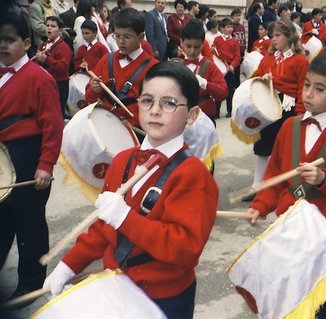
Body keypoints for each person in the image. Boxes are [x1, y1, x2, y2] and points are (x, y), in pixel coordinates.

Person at [43, 61, 218, 319]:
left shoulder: (194, 175)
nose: (155, 111)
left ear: (191, 115)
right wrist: (68, 266)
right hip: (115, 288)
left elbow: (185, 249)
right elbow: (104, 228)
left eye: (169, 103)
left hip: (164, 298)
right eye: (147, 100)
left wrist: (125, 218)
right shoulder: (122, 159)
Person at [247, 51, 326, 319]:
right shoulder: (289, 127)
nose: (309, 93)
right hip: (291, 227)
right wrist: (260, 206)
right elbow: (275, 176)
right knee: (293, 290)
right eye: (307, 85)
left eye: (320, 88)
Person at [0, 11, 64, 308]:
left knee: (29, 224)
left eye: (9, 40)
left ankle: (30, 285)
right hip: (2, 159)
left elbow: (53, 124)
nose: (2, 46)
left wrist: (46, 164)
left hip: (28, 156)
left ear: (26, 43)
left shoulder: (40, 78)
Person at [245, 19, 309, 201]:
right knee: (262, 146)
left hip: (288, 108)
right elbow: (255, 82)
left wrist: (300, 112)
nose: (273, 39)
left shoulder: (300, 61)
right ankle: (257, 185)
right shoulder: (267, 59)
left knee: (286, 148)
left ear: (289, 37)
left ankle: (285, 186)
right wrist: (262, 78)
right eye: (272, 35)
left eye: (278, 35)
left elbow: (301, 88)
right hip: (268, 106)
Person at [85, 8, 158, 128]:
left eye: (127, 37)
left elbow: (155, 107)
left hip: (134, 130)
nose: (121, 42)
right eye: (117, 36)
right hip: (104, 124)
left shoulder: (153, 68)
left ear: (141, 37)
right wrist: (94, 89)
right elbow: (89, 98)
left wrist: (135, 122)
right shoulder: (106, 60)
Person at [181, 20, 227, 123]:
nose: (192, 51)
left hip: (204, 118)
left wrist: (205, 84)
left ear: (202, 44)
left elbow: (223, 93)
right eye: (188, 46)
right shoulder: (177, 65)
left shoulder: (209, 66)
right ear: (181, 43)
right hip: (182, 118)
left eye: (196, 47)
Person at [35, 16, 73, 120]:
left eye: (53, 26)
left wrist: (46, 59)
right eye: (47, 26)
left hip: (59, 84)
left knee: (57, 113)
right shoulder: (42, 45)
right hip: (44, 83)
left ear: (60, 30)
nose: (49, 28)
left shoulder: (63, 47)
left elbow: (63, 67)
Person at [212, 17, 241, 118]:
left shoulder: (234, 41)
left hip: (229, 68)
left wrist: (233, 65)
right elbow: (214, 52)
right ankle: (216, 110)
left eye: (231, 27)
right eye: (228, 27)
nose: (230, 29)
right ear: (222, 28)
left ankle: (230, 110)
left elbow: (237, 56)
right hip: (219, 67)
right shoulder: (217, 39)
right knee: (218, 89)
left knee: (230, 89)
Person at [231, 8, 246, 88]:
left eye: (239, 15)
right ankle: (234, 85)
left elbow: (243, 38)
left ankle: (237, 85)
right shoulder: (231, 27)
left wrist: (244, 48)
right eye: (236, 15)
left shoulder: (242, 26)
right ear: (232, 17)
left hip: (241, 50)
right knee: (235, 70)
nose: (238, 17)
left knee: (239, 69)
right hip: (234, 52)